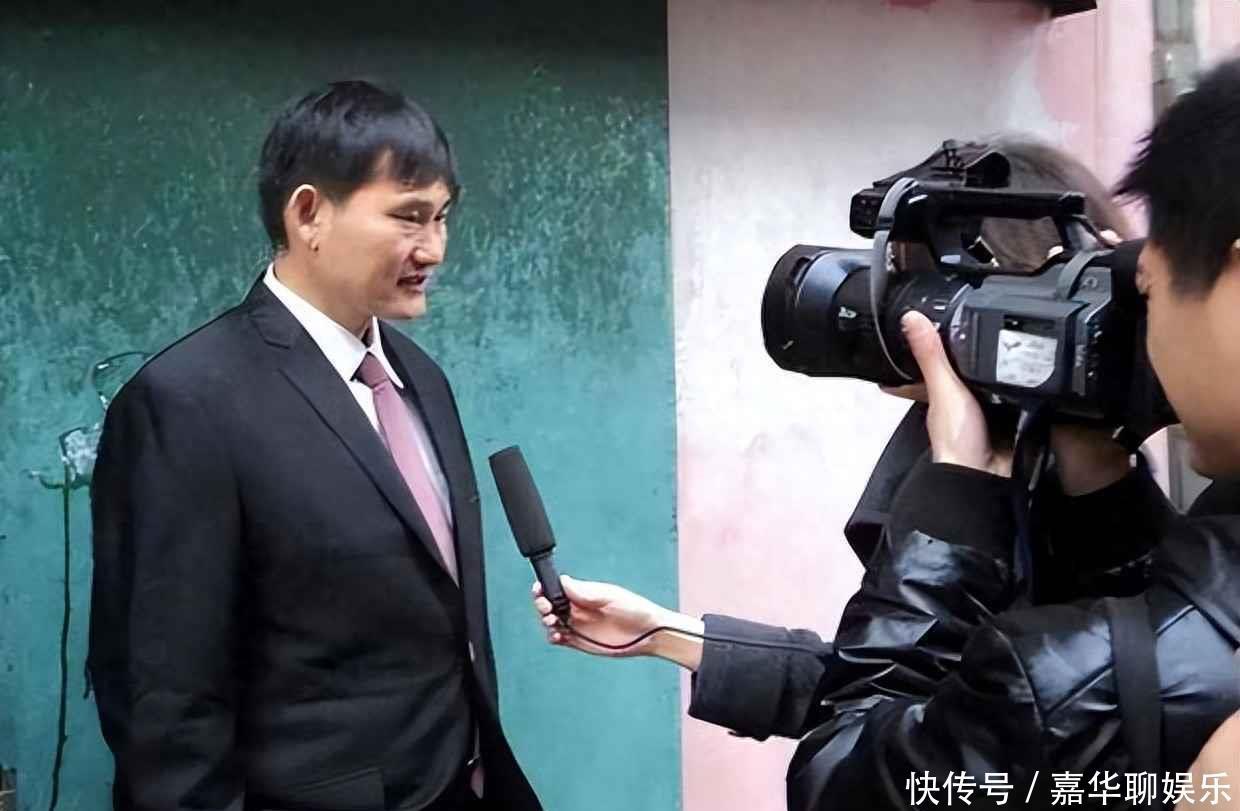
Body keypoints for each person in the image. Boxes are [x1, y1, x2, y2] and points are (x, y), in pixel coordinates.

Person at [537, 57, 1240, 808]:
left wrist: (960, 499)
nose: (898, 318)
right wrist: (676, 635)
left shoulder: (994, 468)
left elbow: (927, 735)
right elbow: (969, 705)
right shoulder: (1094, 479)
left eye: (920, 286)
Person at [88, 81, 541, 811]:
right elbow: (165, 703)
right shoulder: (186, 401)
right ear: (309, 214)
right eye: (408, 217)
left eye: (442, 217)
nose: (434, 248)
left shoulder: (421, 378)